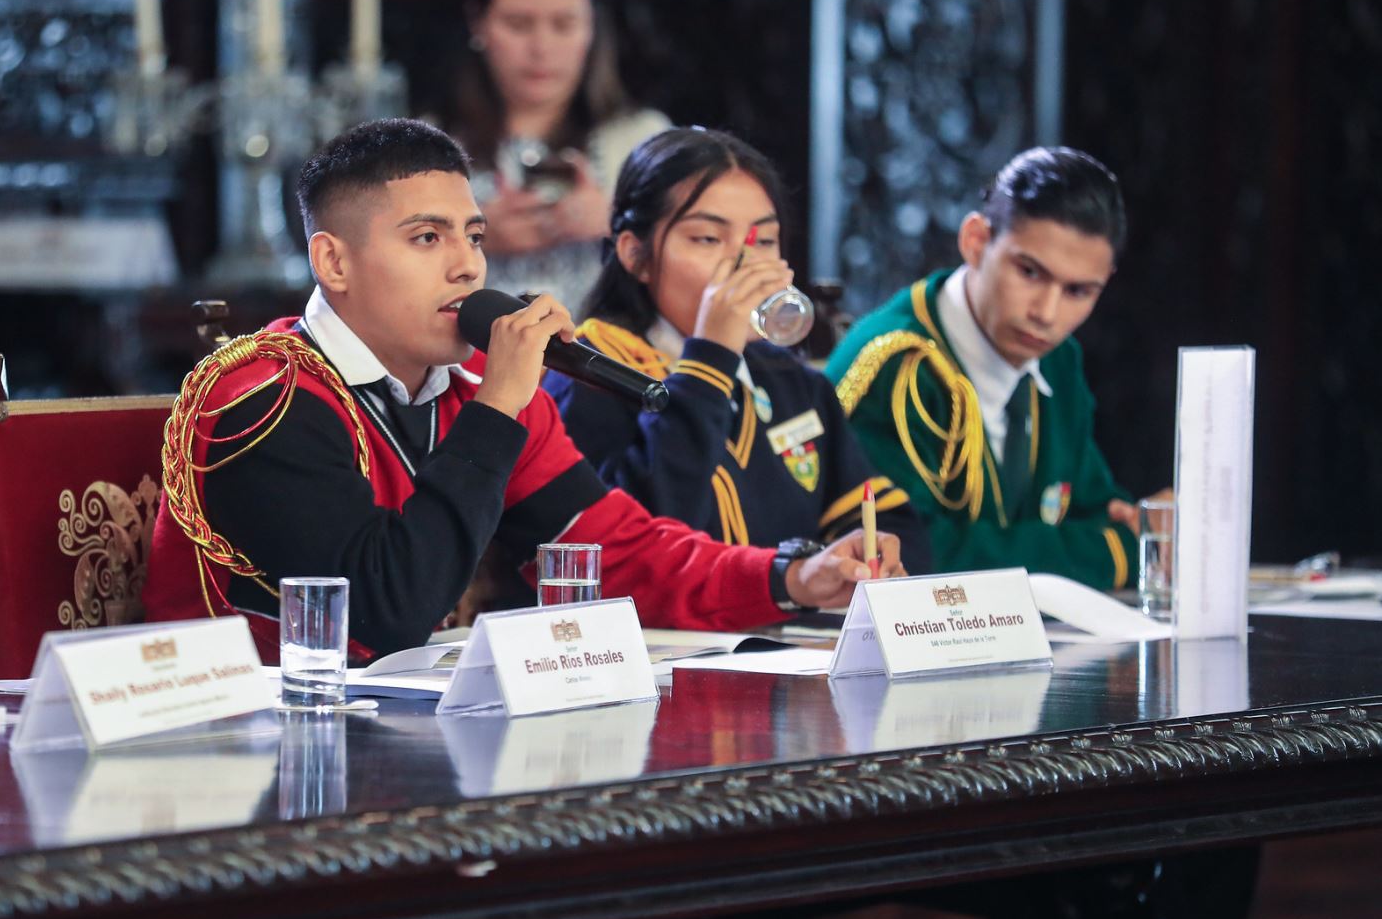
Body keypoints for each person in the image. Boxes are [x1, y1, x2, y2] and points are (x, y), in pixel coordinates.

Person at [146, 119, 899, 662]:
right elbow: (386, 613)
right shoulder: (261, 398)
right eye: (426, 238)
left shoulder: (475, 388)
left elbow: (619, 554)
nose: (469, 267)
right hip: (256, 758)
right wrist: (498, 410)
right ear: (333, 263)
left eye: (473, 236)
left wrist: (792, 575)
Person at [549, 126, 932, 573]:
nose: (744, 265)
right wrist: (711, 354)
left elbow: (879, 517)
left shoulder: (788, 379)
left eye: (763, 241)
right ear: (635, 255)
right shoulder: (590, 369)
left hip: (789, 637)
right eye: (708, 240)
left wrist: (876, 556)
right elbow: (640, 545)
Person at [826, 146, 1153, 589]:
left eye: (1078, 291)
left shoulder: (1056, 356)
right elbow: (917, 557)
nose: (1047, 312)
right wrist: (1118, 551)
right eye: (1030, 272)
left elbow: (1094, 505)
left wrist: (1143, 525)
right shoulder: (895, 365)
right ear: (976, 241)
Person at [430, 0, 670, 308]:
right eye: (518, 24)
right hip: (468, 362)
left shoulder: (642, 140)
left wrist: (616, 221)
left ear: (591, 29)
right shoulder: (431, 144)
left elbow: (699, 265)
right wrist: (474, 236)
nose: (541, 47)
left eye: (564, 24)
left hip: (611, 359)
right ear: (479, 23)